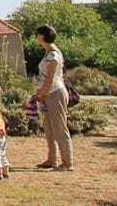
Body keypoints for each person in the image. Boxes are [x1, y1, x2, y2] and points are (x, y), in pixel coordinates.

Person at [31, 24, 74, 171]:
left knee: (60, 128)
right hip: (47, 93)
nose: (37, 37)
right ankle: (52, 159)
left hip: (55, 93)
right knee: (49, 129)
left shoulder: (54, 55)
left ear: (43, 36)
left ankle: (67, 163)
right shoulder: (48, 53)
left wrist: (40, 95)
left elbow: (50, 79)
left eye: (38, 34)